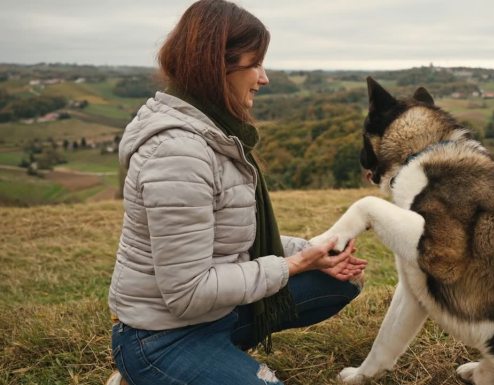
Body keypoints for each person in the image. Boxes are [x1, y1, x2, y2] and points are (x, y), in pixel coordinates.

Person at [106, 1, 366, 384]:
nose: (264, 79)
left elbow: (235, 244)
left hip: (218, 314)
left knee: (341, 279)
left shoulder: (216, 135)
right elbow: (188, 293)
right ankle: (152, 371)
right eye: (255, 64)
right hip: (161, 335)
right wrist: (293, 265)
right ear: (217, 65)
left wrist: (312, 250)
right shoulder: (178, 152)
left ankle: (220, 354)